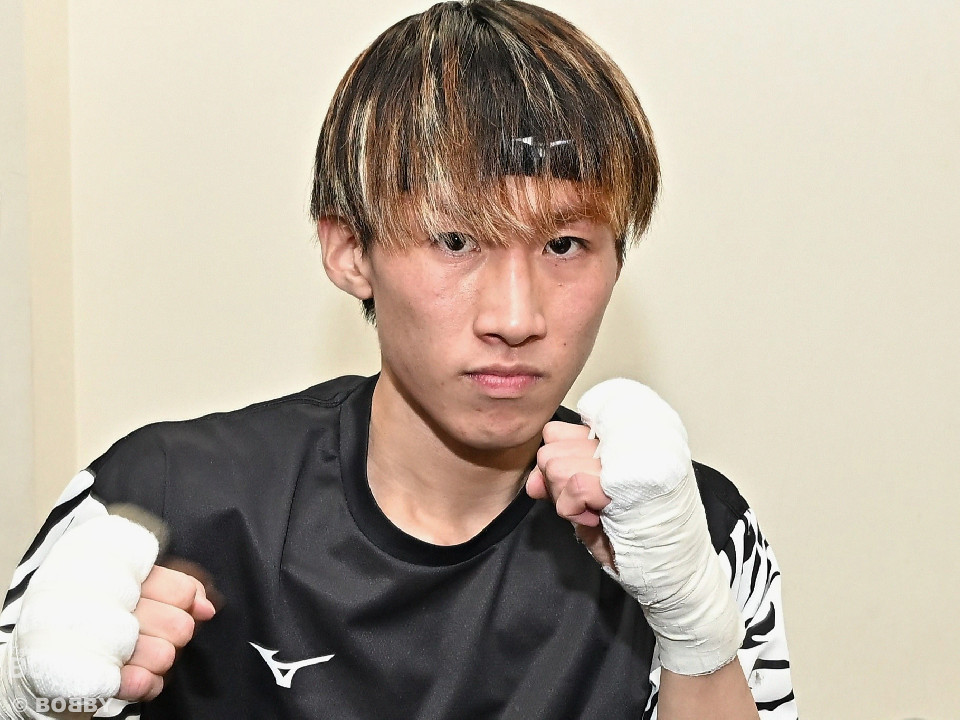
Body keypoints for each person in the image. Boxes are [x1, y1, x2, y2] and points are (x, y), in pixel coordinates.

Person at [0, 1, 797, 718]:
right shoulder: (164, 500)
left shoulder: (690, 530)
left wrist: (694, 626)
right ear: (350, 250)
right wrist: (40, 704)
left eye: (564, 244)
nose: (515, 318)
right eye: (455, 239)